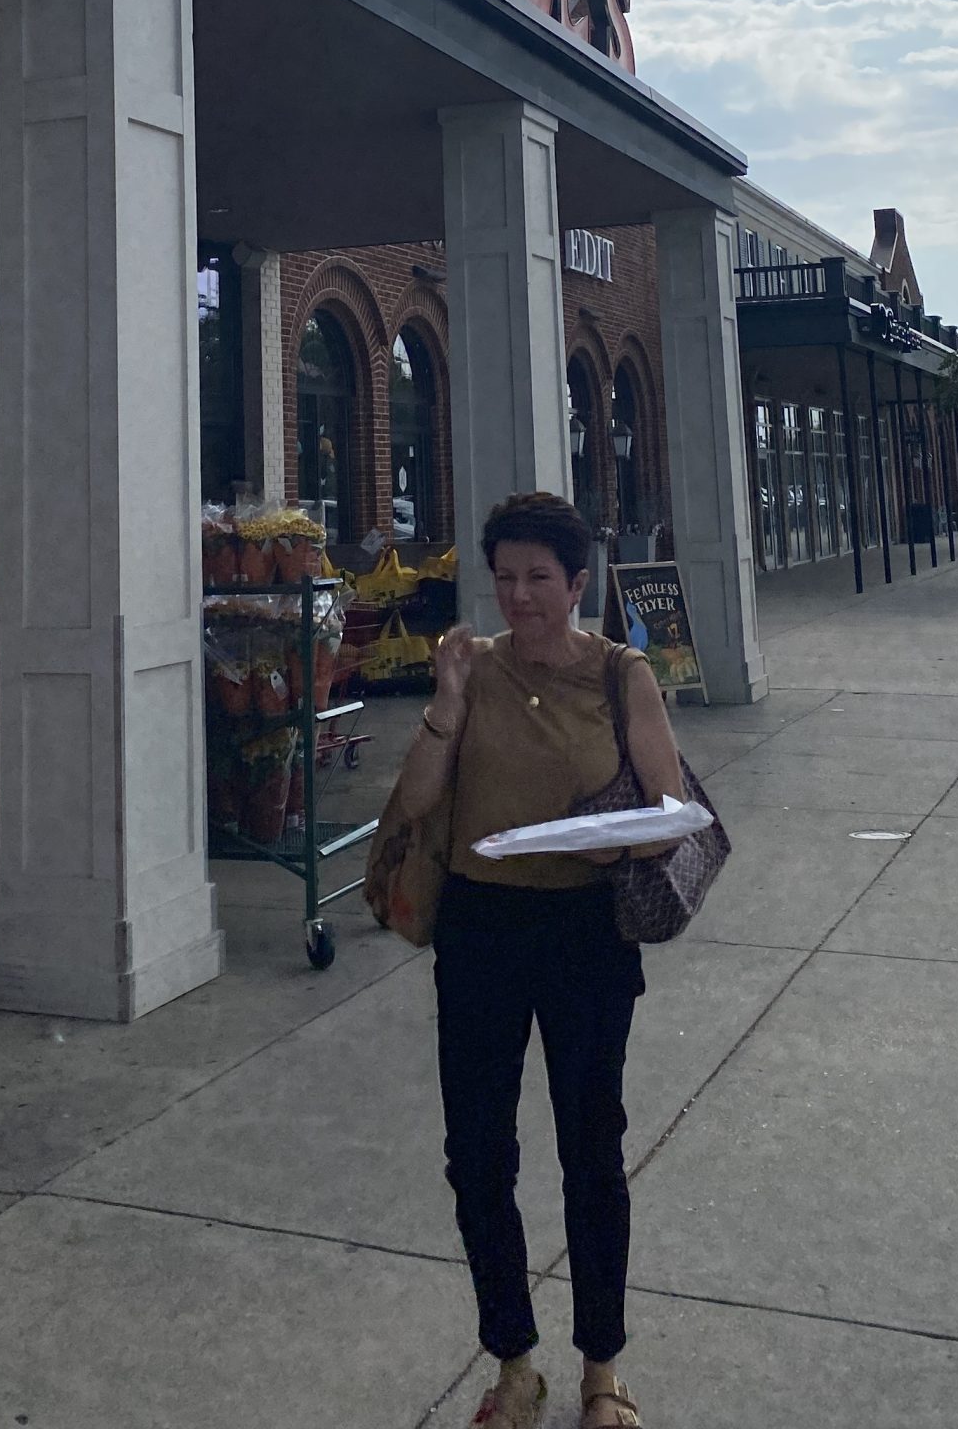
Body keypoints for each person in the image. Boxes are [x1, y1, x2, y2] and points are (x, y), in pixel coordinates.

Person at [390, 491, 687, 1429]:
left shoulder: (620, 674)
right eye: (506, 578)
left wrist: (612, 844)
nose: (520, 597)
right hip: (479, 931)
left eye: (540, 580)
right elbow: (411, 803)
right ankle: (514, 1362)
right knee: (477, 1153)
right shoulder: (469, 668)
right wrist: (443, 705)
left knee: (591, 1150)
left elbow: (668, 814)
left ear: (578, 582)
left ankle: (604, 1369)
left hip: (583, 936)